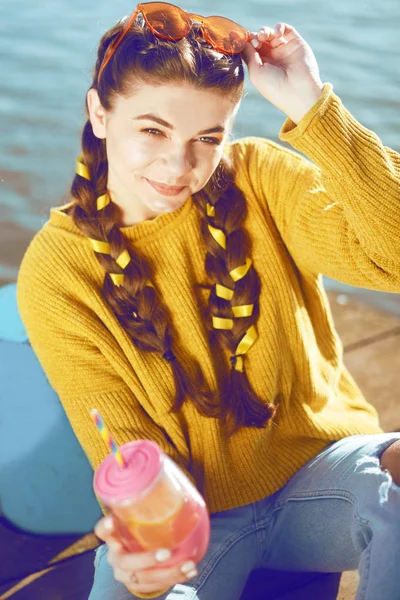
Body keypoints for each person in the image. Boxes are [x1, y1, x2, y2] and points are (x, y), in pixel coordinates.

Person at [16, 3, 400, 599]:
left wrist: (313, 107)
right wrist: (148, 550)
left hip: (322, 477)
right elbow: (119, 444)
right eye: (153, 130)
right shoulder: (57, 270)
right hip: (195, 518)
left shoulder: (260, 178)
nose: (178, 164)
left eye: (207, 137)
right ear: (99, 113)